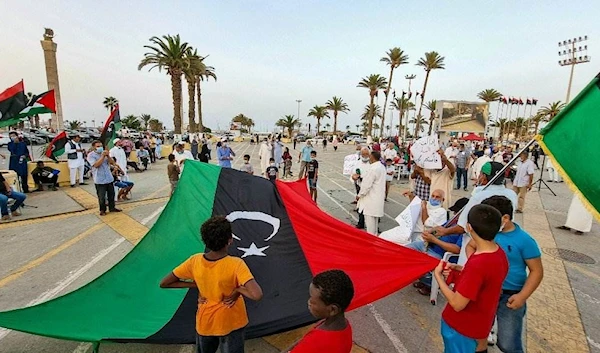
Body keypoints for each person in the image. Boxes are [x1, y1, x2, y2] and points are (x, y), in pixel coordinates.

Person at [159, 216, 263, 353]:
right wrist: (237, 289)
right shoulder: (236, 264)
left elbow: (165, 283)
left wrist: (197, 285)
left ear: (204, 240)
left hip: (206, 321)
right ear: (229, 240)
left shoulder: (194, 261)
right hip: (232, 321)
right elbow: (257, 295)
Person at [433, 204, 508, 353]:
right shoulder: (499, 254)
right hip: (480, 327)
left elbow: (457, 303)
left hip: (462, 329)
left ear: (469, 227)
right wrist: (461, 270)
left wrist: (438, 277)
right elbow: (485, 281)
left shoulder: (478, 264)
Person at [481, 196, 544, 353]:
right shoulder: (489, 233)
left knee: (508, 343)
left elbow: (537, 271)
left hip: (510, 297)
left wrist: (522, 296)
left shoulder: (524, 240)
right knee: (479, 331)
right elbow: (471, 246)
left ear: (505, 218)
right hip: (486, 291)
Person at [432, 162, 518, 265]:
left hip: (475, 247)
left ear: (484, 177)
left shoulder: (479, 195)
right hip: (501, 245)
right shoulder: (512, 194)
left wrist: (445, 231)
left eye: (481, 174)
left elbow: (463, 226)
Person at [407, 197, 469, 295]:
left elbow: (457, 249)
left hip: (441, 254)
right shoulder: (453, 221)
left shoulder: (465, 230)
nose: (455, 214)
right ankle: (423, 279)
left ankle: (430, 284)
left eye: (457, 212)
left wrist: (435, 240)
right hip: (430, 245)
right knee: (407, 250)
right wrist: (430, 231)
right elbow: (440, 228)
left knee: (424, 261)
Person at [287, 270, 354, 353]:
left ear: (333, 309)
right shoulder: (344, 326)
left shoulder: (314, 343)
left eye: (312, 300)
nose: (309, 302)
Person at [87, 140, 121, 216]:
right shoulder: (91, 155)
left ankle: (112, 207)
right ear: (94, 147)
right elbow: (96, 165)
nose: (100, 148)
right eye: (98, 146)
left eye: (101, 146)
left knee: (111, 194)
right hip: (99, 179)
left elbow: (112, 162)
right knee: (101, 196)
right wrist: (102, 156)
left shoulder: (105, 154)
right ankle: (102, 210)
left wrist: (107, 155)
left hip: (108, 178)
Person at [356, 150, 386, 235]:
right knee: (375, 225)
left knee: (370, 226)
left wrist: (359, 195)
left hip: (370, 200)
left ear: (372, 158)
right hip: (378, 199)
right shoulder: (381, 167)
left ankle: (372, 243)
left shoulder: (373, 168)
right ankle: (375, 240)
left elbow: (366, 185)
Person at [351, 147, 371, 229]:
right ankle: (361, 222)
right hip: (360, 185)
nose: (365, 156)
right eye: (363, 154)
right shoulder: (357, 163)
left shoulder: (372, 163)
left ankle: (371, 223)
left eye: (366, 154)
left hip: (370, 187)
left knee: (370, 205)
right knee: (360, 204)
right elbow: (353, 174)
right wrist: (354, 177)